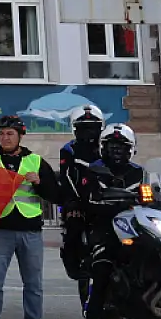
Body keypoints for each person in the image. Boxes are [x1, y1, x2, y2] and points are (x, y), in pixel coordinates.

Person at [0, 115, 58, 319]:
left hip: (30, 230)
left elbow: (55, 195)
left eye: (10, 133)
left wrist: (39, 183)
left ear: (20, 136)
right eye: (1, 133)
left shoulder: (36, 161)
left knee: (33, 283)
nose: (5, 137)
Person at [77, 124, 145, 319]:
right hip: (104, 224)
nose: (116, 150)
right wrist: (107, 202)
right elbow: (88, 198)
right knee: (103, 264)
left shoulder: (139, 172)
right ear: (102, 147)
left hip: (137, 224)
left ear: (131, 148)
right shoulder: (93, 169)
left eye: (122, 146)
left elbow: (157, 192)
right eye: (111, 146)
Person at [57, 107, 105, 279]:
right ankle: (73, 264)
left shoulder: (106, 147)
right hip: (78, 198)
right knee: (74, 225)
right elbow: (67, 176)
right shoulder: (69, 149)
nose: (88, 131)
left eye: (92, 127)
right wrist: (73, 200)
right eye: (83, 127)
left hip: (106, 198)